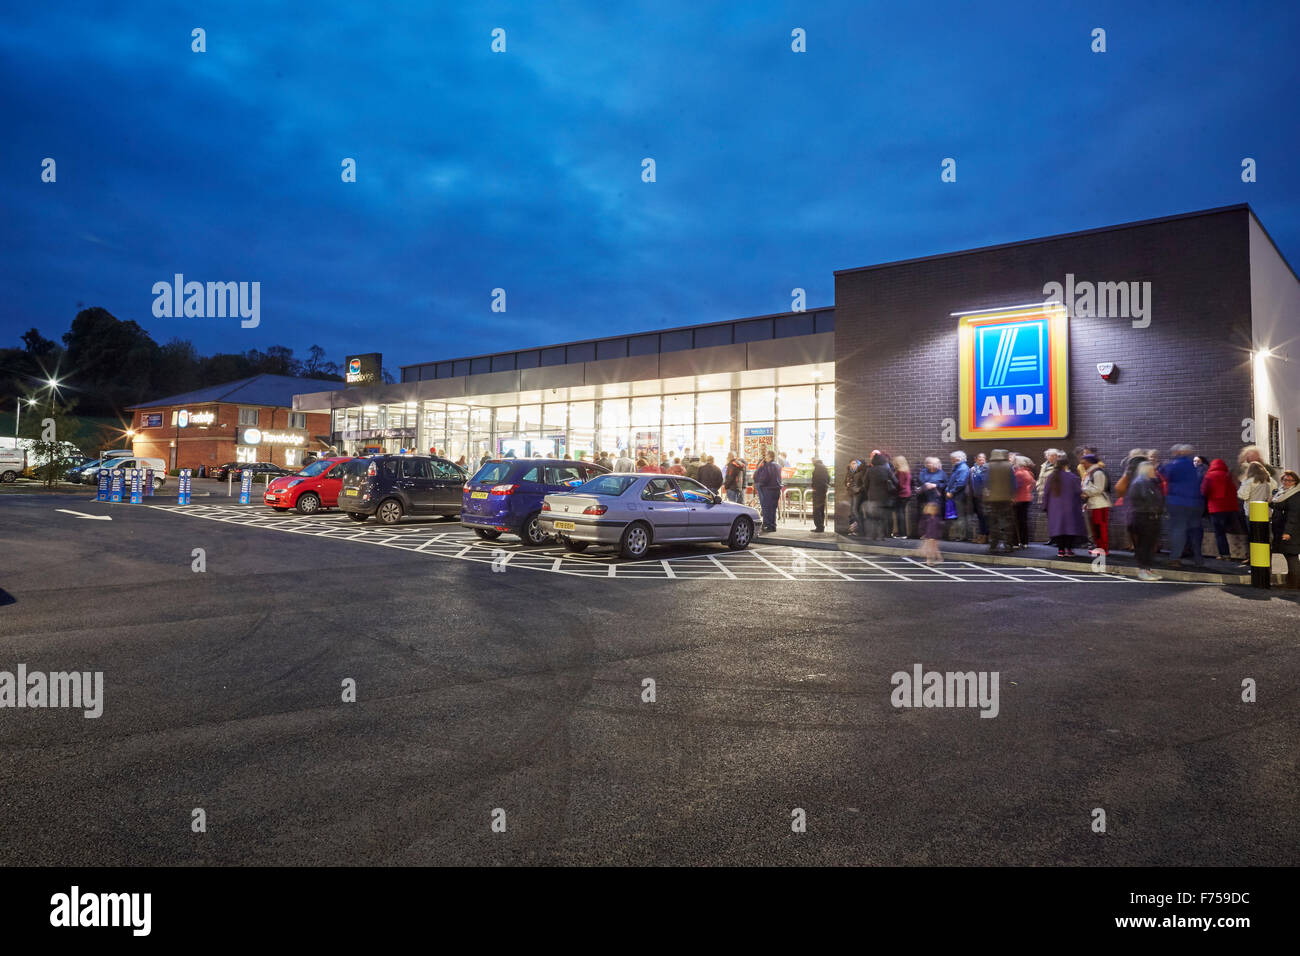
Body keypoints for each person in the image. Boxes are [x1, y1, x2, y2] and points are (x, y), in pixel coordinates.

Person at [1159, 444, 1206, 569]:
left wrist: (1161, 465)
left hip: (1178, 502)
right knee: (1195, 530)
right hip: (1196, 503)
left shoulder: (1174, 465)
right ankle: (1198, 558)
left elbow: (1162, 473)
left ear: (1178, 453)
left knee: (1178, 530)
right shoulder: (1194, 466)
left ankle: (1175, 558)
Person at [1043, 452, 1088, 556]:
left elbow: (1046, 493)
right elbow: (1078, 491)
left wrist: (1045, 506)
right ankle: (1069, 549)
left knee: (1059, 529)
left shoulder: (1051, 477)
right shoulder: (1072, 477)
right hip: (1071, 507)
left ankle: (1061, 550)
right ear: (1066, 465)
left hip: (1054, 508)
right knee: (1070, 529)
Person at [1127, 461, 1165, 581]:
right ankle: (1143, 569)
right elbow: (1147, 500)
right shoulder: (1140, 483)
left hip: (1150, 518)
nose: (1154, 471)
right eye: (1152, 469)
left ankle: (1147, 568)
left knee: (1149, 544)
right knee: (1144, 545)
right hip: (1143, 518)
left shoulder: (1149, 483)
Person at [1200, 458, 1239, 561]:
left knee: (1219, 533)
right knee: (1229, 531)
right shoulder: (1229, 476)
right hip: (1231, 509)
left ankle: (1225, 554)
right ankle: (1234, 553)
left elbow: (1203, 491)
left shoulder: (1209, 476)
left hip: (1216, 509)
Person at [1270, 470, 1300, 589]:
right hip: (1284, 529)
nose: (1286, 482)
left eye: (1290, 480)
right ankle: (1291, 582)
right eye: (1284, 479)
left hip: (1293, 531)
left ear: (1295, 482)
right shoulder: (1282, 492)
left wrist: (1288, 532)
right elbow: (1279, 505)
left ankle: (1295, 584)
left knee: (1291, 555)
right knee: (1289, 555)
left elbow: (1294, 515)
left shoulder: (1296, 495)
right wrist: (1271, 501)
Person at [983, 449, 1015, 553]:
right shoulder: (1009, 466)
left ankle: (993, 544)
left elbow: (984, 481)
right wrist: (1012, 495)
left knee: (993, 522)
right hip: (1006, 499)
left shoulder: (987, 466)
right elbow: (1013, 483)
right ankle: (1008, 545)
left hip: (992, 499)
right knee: (1007, 522)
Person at [1080, 453, 1111, 555]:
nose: (1082, 465)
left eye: (1084, 463)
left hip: (1100, 504)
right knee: (1096, 528)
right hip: (1095, 504)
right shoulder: (1092, 472)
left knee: (1100, 528)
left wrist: (1083, 491)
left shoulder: (1097, 473)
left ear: (1089, 463)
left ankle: (1103, 549)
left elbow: (1098, 488)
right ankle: (1099, 548)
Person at [860, 453, 896, 540]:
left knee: (872, 518)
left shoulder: (870, 470)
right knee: (883, 518)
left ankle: (872, 535)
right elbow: (895, 481)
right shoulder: (887, 470)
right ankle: (881, 536)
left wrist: (869, 491)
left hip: (872, 498)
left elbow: (865, 484)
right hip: (884, 498)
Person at [753, 450, 783, 532]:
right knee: (773, 508)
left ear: (769, 456)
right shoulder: (778, 466)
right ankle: (773, 525)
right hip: (776, 489)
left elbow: (765, 478)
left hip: (768, 489)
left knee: (766, 508)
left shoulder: (768, 466)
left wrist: (760, 483)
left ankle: (767, 525)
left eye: (766, 455)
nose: (765, 457)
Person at [946, 451, 971, 541]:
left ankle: (961, 536)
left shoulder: (962, 468)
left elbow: (960, 483)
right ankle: (958, 535)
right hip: (956, 495)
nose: (951, 460)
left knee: (960, 516)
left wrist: (951, 492)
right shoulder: (958, 467)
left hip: (958, 496)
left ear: (958, 458)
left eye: (952, 459)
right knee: (957, 516)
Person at [1012, 456, 1034, 548]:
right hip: (1026, 499)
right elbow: (1033, 483)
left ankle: (1016, 542)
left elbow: (1015, 487)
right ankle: (1025, 542)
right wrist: (1028, 491)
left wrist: (1013, 497)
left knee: (1016, 522)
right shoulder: (1028, 472)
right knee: (1024, 522)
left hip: (1018, 500)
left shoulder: (1018, 473)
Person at [967, 453, 988, 543]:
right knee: (979, 517)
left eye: (983, 458)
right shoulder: (972, 469)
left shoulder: (987, 468)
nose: (981, 460)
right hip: (975, 497)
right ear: (975, 459)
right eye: (979, 459)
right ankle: (980, 535)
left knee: (985, 517)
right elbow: (970, 483)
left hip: (984, 497)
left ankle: (985, 536)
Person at [918, 497, 944, 565]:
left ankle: (936, 559)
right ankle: (930, 560)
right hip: (929, 536)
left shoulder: (937, 518)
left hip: (935, 536)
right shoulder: (926, 518)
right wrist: (922, 534)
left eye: (934, 510)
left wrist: (939, 535)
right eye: (931, 509)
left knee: (934, 549)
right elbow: (922, 526)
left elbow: (940, 527)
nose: (933, 511)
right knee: (930, 549)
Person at [891, 455, 911, 538]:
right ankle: (903, 533)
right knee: (901, 513)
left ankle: (901, 533)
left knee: (900, 514)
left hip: (901, 494)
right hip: (907, 494)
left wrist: (892, 487)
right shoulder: (907, 471)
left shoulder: (900, 472)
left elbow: (900, 485)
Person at [810, 457, 830, 533]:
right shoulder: (824, 467)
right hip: (823, 491)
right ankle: (821, 526)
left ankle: (819, 527)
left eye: (812, 461)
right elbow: (828, 478)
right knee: (821, 509)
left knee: (816, 509)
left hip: (818, 491)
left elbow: (816, 479)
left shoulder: (817, 468)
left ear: (814, 461)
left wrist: (814, 488)